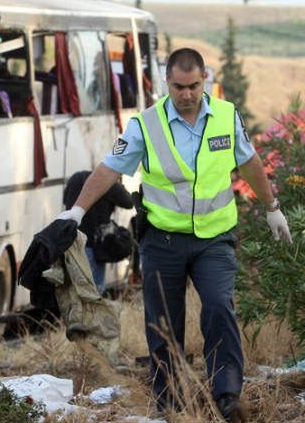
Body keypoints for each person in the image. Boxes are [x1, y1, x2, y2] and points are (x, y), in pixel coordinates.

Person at [56, 48, 291, 422]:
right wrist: (77, 211)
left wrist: (272, 207)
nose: (187, 94)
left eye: (194, 86)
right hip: (163, 241)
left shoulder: (227, 117)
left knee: (218, 307)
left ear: (205, 80)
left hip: (214, 240)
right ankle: (169, 401)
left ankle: (227, 395)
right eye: (179, 87)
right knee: (164, 324)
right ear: (167, 83)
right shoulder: (145, 125)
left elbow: (249, 162)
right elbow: (108, 169)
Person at [63, 171, 133, 295]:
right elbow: (128, 202)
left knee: (73, 291)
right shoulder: (108, 182)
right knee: (94, 291)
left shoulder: (75, 178)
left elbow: (65, 200)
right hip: (93, 246)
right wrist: (118, 183)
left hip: (71, 244)